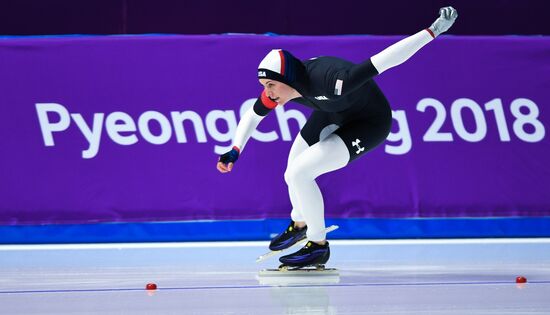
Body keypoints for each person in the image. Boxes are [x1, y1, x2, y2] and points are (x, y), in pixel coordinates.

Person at [217, 7, 458, 268]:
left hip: (368, 122)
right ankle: (299, 223)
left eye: (270, 85)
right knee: (291, 173)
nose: (268, 92)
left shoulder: (330, 80)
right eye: (265, 87)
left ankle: (318, 245)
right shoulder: (283, 88)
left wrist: (432, 31)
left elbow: (384, 61)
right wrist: (235, 149)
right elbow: (252, 116)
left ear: (286, 79)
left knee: (300, 173)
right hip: (332, 113)